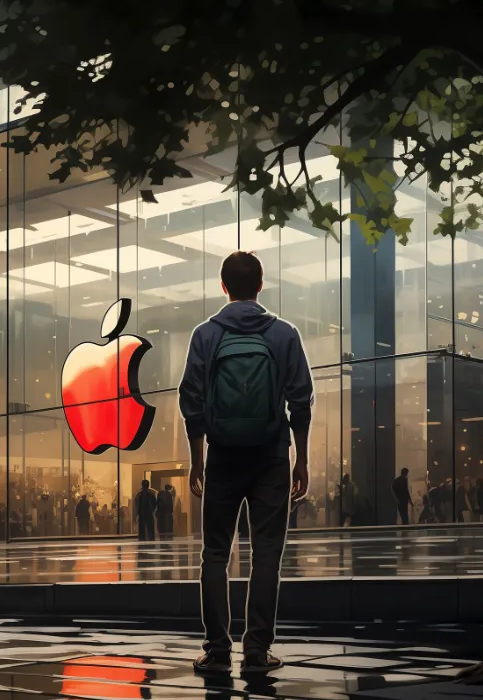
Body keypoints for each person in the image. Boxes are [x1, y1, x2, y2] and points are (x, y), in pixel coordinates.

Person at [179, 251, 314, 675]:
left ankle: (217, 651)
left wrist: (196, 461)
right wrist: (302, 459)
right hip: (271, 456)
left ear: (223, 287)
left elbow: (191, 402)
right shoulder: (284, 334)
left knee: (215, 555)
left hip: (222, 458)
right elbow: (301, 400)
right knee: (267, 554)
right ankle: (257, 651)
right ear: (259, 286)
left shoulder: (205, 334)